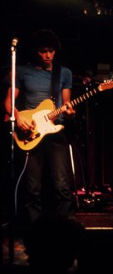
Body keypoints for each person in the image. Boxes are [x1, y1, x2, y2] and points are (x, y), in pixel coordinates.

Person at [3, 29, 76, 228]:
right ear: (36, 51)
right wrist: (18, 118)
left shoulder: (64, 73)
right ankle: (34, 231)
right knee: (32, 186)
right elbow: (9, 102)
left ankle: (65, 230)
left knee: (62, 184)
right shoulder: (21, 71)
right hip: (30, 132)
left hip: (55, 132)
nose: (48, 55)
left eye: (51, 51)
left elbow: (67, 104)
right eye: (43, 51)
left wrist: (70, 112)